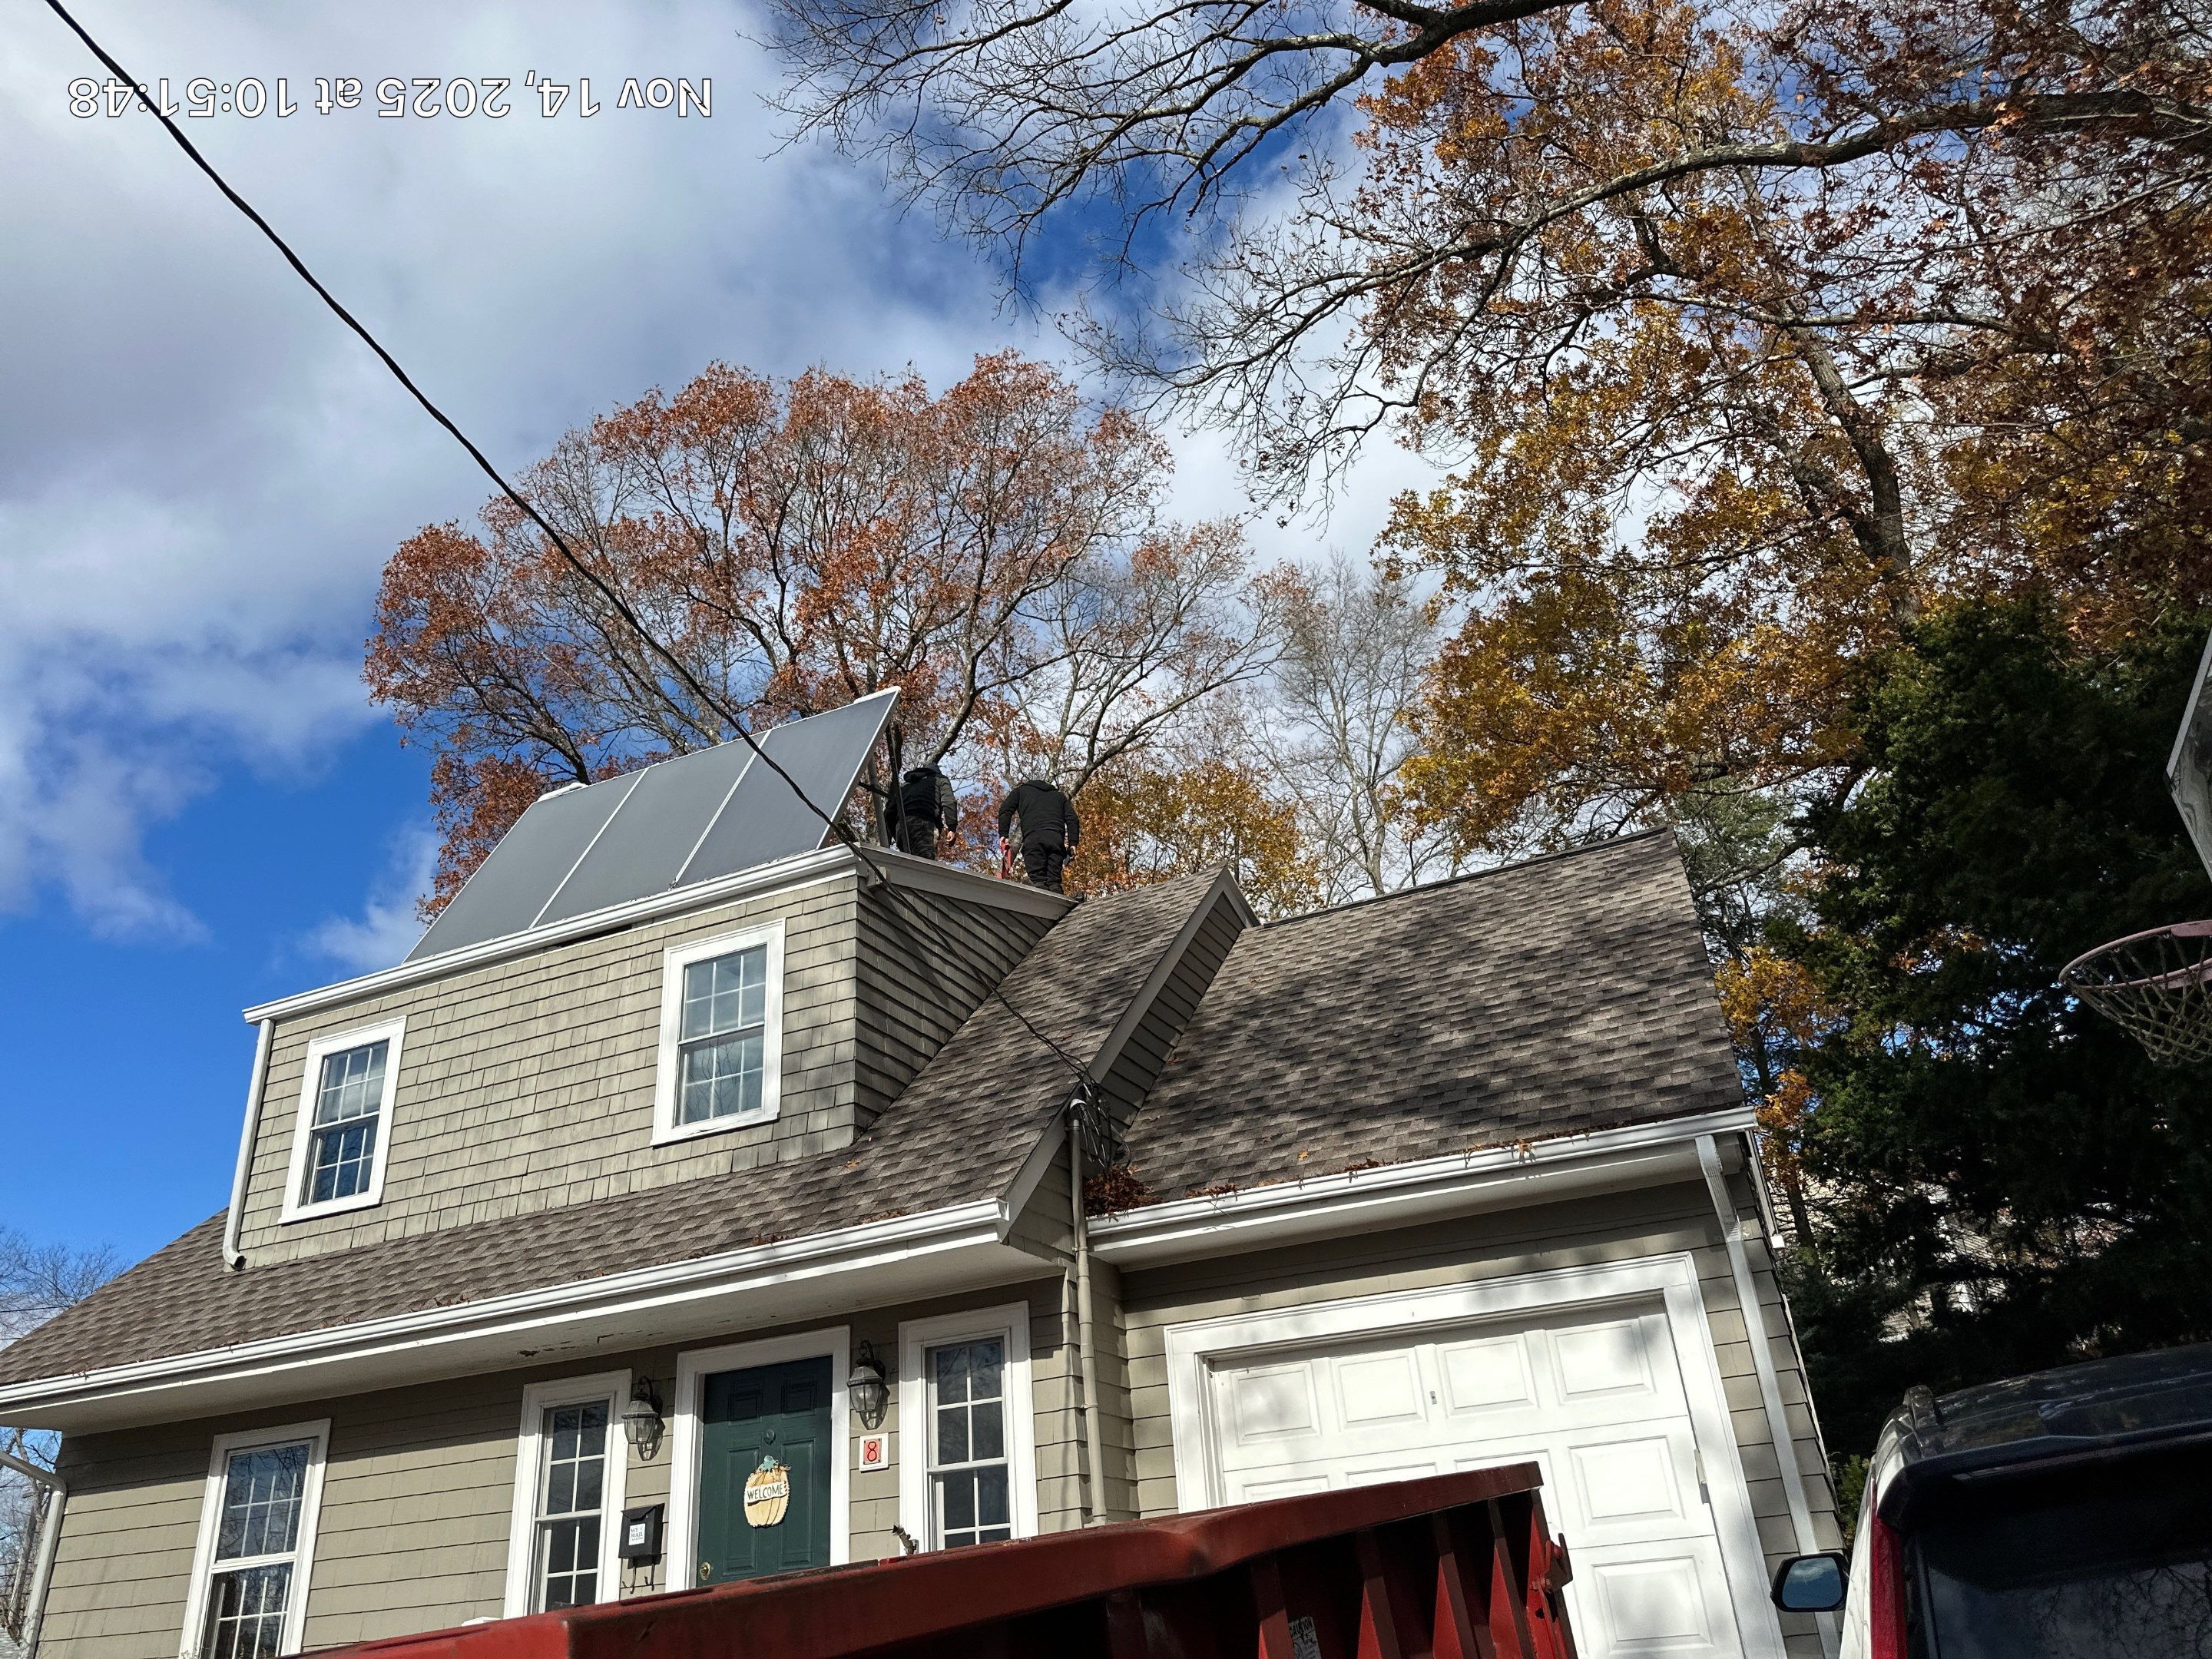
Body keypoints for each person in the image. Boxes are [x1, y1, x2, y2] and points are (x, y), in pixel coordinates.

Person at [997, 777, 1080, 892]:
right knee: (1054, 882)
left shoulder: (1020, 792)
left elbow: (1005, 810)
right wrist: (1073, 843)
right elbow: (1073, 819)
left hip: (1034, 838)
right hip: (1055, 839)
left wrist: (1004, 834)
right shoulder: (1059, 796)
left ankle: (1041, 899)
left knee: (1039, 881)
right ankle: (1057, 897)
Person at [885, 763, 959, 859]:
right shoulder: (940, 779)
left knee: (909, 866)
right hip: (924, 824)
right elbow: (949, 802)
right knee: (926, 864)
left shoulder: (905, 786)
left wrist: (897, 832)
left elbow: (889, 812)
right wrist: (952, 827)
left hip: (901, 827)